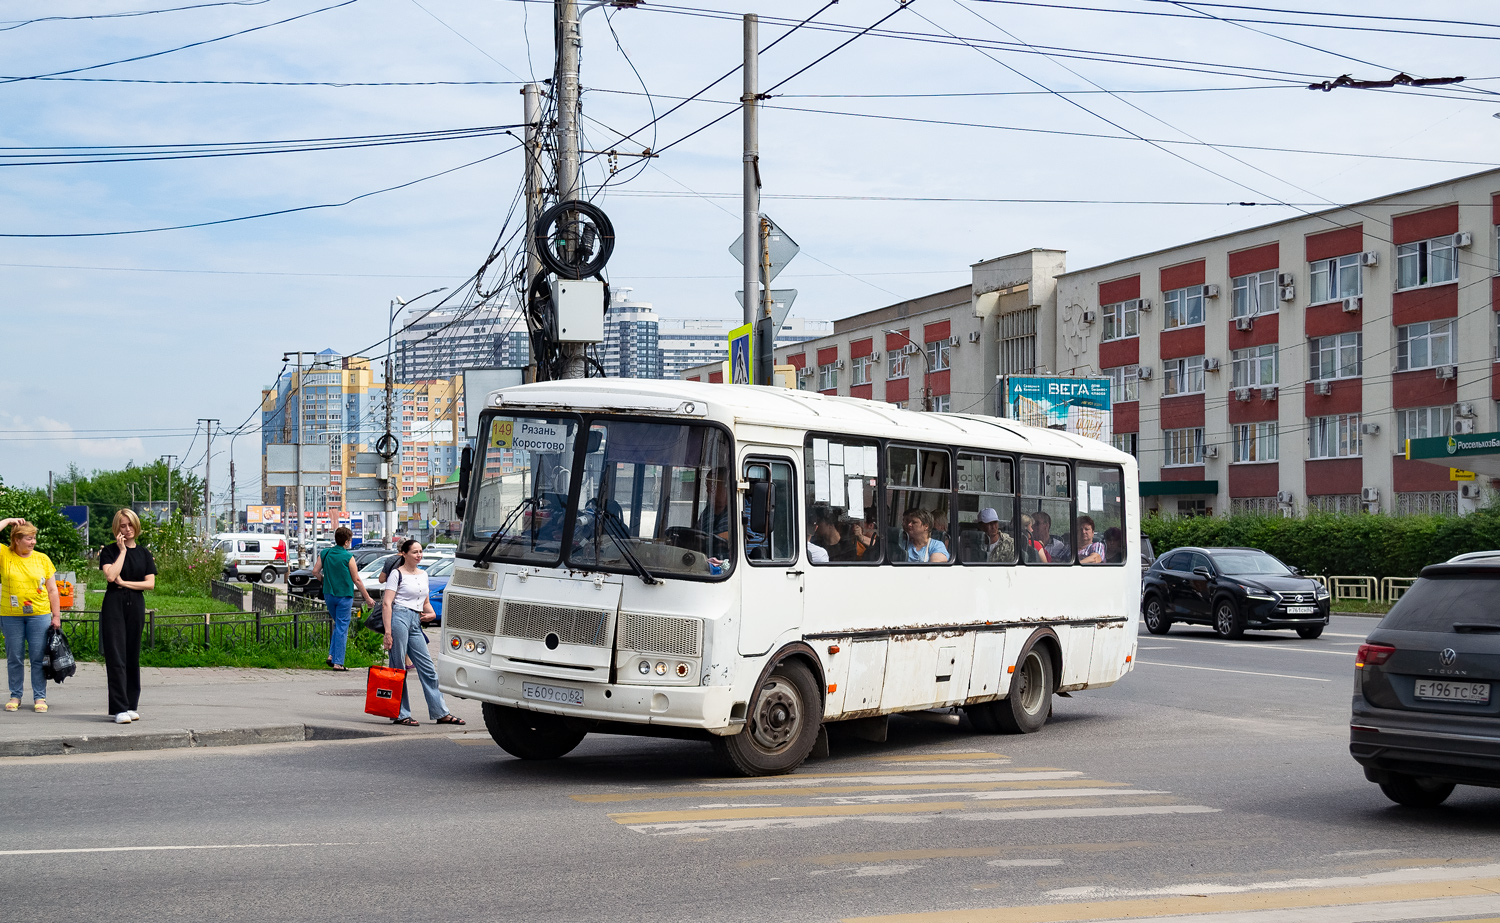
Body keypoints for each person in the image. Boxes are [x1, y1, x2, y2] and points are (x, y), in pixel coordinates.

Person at [380, 540, 464, 727]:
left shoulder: (423, 574)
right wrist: (387, 632)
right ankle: (400, 713)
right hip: (399, 618)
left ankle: (441, 712)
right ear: (404, 554)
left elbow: (425, 602)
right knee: (398, 667)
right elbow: (387, 603)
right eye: (415, 552)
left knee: (427, 667)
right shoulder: (396, 574)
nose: (419, 555)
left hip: (416, 621)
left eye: (421, 551)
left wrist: (432, 613)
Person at [98, 509, 156, 723]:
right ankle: (119, 708)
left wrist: (125, 583)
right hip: (114, 604)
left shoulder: (144, 553)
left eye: (130, 525)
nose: (127, 529)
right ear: (117, 528)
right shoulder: (110, 551)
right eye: (123, 526)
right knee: (116, 656)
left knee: (132, 654)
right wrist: (122, 552)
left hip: (135, 605)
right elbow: (111, 576)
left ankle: (131, 705)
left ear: (136, 526)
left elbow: (150, 584)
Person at [0, 518, 61, 713]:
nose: (33, 542)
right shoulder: (5, 555)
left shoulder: (42, 559)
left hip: (39, 615)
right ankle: (15, 695)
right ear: (16, 540)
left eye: (34, 538)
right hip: (10, 615)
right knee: (14, 657)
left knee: (37, 657)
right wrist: (8, 520)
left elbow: (52, 590)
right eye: (28, 538)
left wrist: (56, 616)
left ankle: (39, 696)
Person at [311, 526, 375, 672]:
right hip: (344, 597)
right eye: (350, 540)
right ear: (346, 542)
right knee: (342, 628)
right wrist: (368, 598)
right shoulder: (348, 557)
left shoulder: (325, 553)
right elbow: (357, 580)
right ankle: (338, 662)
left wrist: (324, 580)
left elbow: (315, 571)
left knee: (337, 625)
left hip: (329, 595)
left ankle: (331, 655)